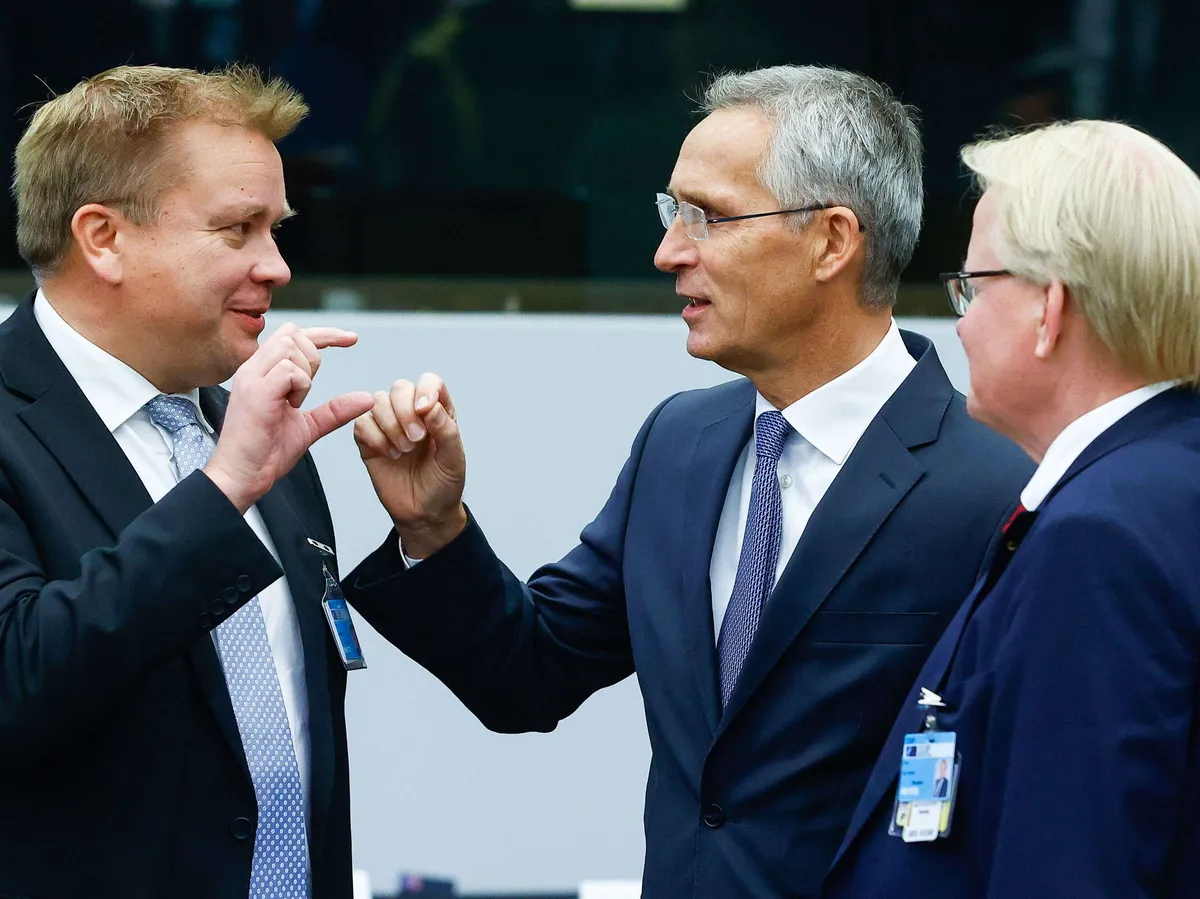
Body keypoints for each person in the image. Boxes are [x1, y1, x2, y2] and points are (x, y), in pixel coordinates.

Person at [343, 65, 1033, 898]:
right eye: (671, 212)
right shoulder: (681, 444)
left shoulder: (995, 486)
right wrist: (434, 528)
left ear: (832, 241)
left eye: (708, 216)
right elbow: (530, 672)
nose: (669, 251)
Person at [0, 65, 378, 898]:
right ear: (103, 237)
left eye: (276, 229)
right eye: (238, 229)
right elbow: (15, 685)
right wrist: (223, 488)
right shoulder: (233, 460)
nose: (276, 266)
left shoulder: (247, 431)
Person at [822, 120, 1200, 898]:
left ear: (1049, 308)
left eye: (973, 285)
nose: (959, 321)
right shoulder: (1162, 483)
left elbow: (1070, 865)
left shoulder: (1101, 536)